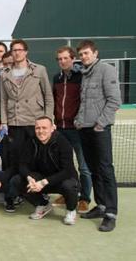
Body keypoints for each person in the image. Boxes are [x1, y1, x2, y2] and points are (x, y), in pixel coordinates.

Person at [74, 40, 121, 232]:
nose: (84, 57)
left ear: (95, 53)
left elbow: (114, 100)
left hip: (99, 130)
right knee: (93, 169)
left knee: (105, 170)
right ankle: (101, 206)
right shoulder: (85, 73)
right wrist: (78, 119)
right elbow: (85, 102)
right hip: (84, 129)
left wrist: (101, 123)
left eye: (86, 53)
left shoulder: (106, 70)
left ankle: (110, 214)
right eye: (81, 54)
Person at [11, 116, 79, 225]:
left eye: (44, 128)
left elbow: (67, 171)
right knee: (17, 180)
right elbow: (22, 165)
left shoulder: (63, 142)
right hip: (39, 178)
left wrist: (43, 182)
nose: (40, 131)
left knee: (70, 185)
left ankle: (71, 210)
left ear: (52, 128)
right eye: (38, 128)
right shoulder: (31, 141)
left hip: (60, 179)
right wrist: (29, 178)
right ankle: (42, 205)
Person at [52, 46, 91, 213]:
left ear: (72, 58)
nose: (62, 61)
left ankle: (85, 198)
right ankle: (67, 193)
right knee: (64, 165)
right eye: (59, 59)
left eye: (65, 58)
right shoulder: (56, 78)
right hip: (60, 128)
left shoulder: (81, 76)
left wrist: (79, 120)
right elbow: (55, 99)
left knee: (84, 167)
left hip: (77, 129)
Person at [0, 39, 54, 149]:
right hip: (14, 121)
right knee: (18, 157)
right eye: (14, 50)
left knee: (37, 155)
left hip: (35, 120)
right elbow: (3, 100)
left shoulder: (39, 70)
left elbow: (48, 97)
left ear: (26, 52)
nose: (17, 53)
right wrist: (4, 122)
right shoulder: (4, 74)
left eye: (20, 50)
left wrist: (48, 120)